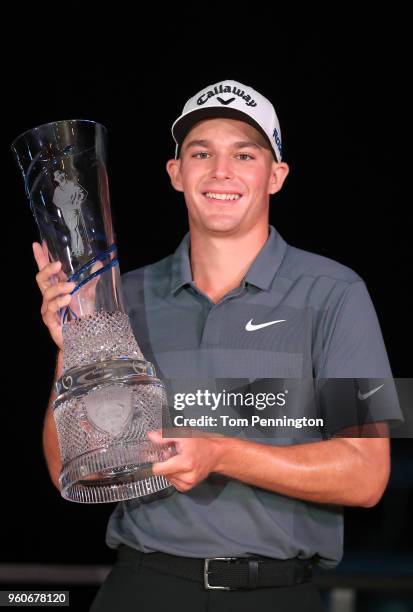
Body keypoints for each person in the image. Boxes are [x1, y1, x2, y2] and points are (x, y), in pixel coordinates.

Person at [33, 80, 402, 612]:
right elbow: (72, 468)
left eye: (244, 154)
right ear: (176, 173)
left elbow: (367, 475)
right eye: (201, 153)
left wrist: (221, 454)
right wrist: (72, 353)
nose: (221, 171)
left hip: (276, 594)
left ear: (275, 177)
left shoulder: (337, 294)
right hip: (143, 586)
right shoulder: (121, 297)